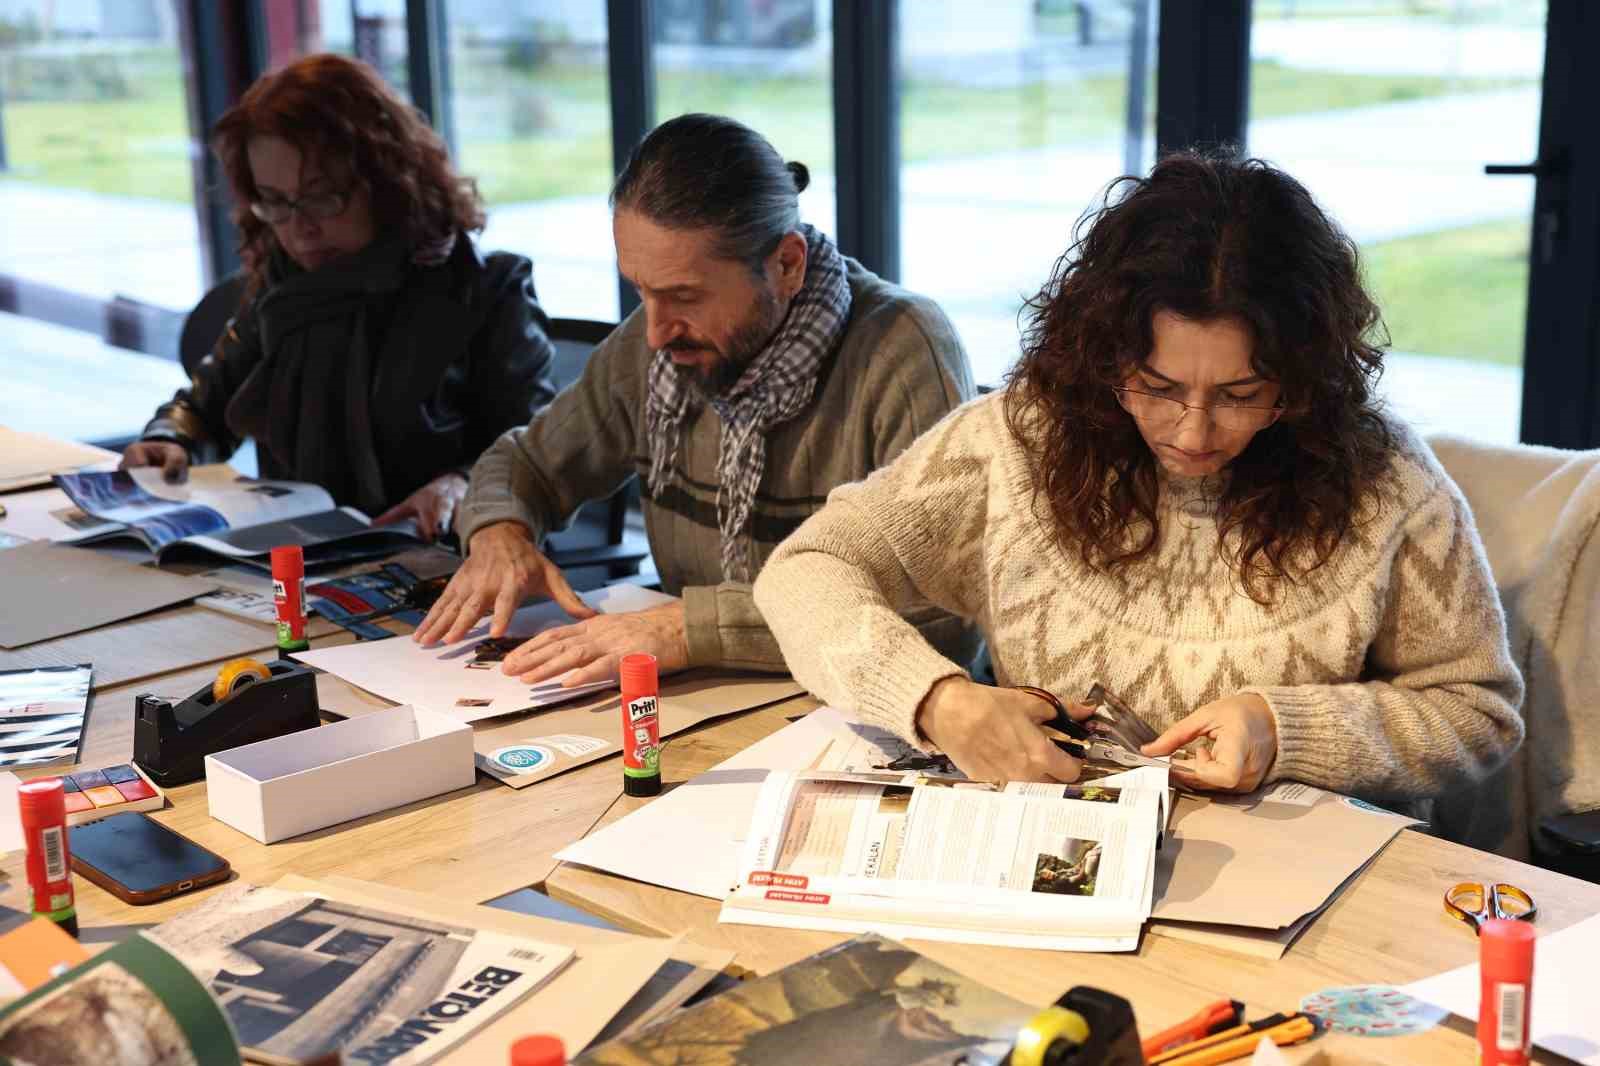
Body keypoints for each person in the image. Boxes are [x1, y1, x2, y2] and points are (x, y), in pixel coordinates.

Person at [753, 151, 1525, 809]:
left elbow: (1476, 712)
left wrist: (1287, 730)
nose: (1193, 432)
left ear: (1305, 378)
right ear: (1102, 355)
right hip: (1053, 860)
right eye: (1156, 387)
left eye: (1241, 395)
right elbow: (805, 570)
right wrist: (936, 701)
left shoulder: (1382, 480)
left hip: (1299, 887)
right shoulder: (1019, 438)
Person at [414, 113, 977, 682]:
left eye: (685, 295)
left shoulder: (902, 351)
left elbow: (944, 611)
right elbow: (526, 462)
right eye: (641, 290)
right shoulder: (657, 342)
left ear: (786, 264)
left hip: (864, 718)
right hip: (708, 697)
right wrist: (498, 532)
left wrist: (690, 628)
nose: (656, 333)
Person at [122, 54, 556, 540]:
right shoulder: (285, 287)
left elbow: (538, 451)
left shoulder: (487, 288)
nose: (301, 229)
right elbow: (204, 406)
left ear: (388, 180)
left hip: (448, 564)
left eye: (323, 196)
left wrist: (463, 483)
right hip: (303, 557)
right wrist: (169, 439)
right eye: (277, 202)